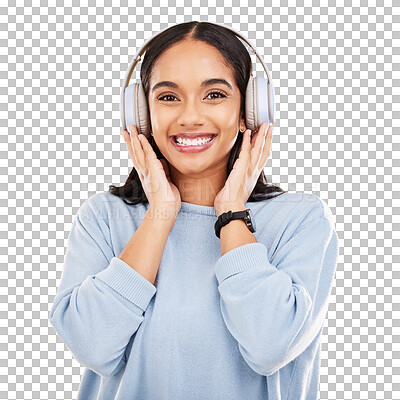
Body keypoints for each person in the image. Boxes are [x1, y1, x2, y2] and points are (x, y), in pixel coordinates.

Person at [49, 21, 339, 400]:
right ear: (140, 113)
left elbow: (270, 348)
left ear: (248, 110)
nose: (190, 117)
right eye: (168, 97)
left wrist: (231, 211)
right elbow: (91, 346)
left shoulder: (300, 219)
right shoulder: (104, 217)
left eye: (214, 94)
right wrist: (161, 213)